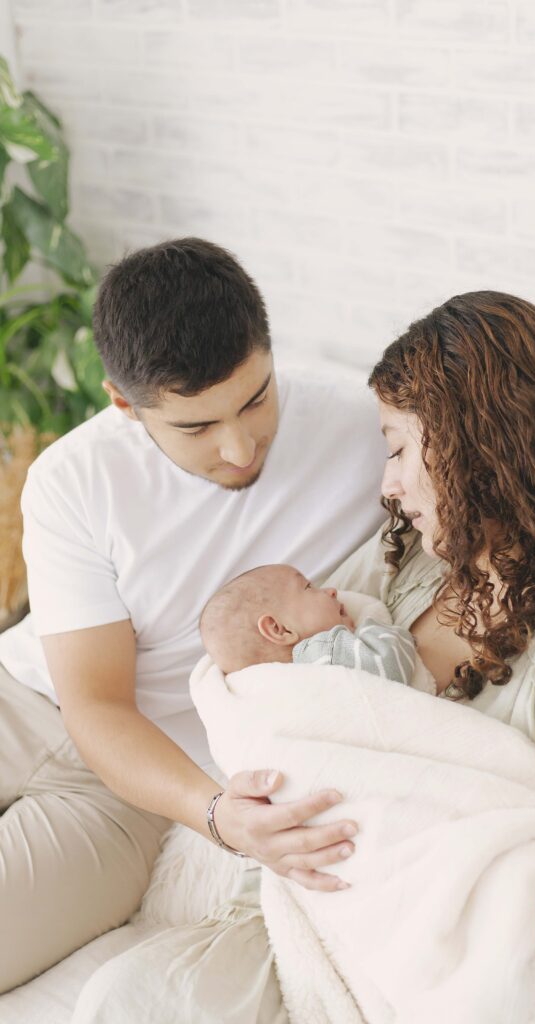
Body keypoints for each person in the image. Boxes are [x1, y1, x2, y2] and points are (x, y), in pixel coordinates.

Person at [70, 289, 535, 1024]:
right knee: (124, 1000)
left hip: (458, 937)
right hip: (326, 915)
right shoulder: (414, 568)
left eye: (396, 448)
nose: (386, 483)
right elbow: (277, 685)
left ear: (481, 448)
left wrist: (441, 879)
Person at [0, 237, 387, 997]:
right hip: (25, 704)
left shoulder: (364, 429)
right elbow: (96, 703)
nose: (240, 448)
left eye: (255, 399)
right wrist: (217, 813)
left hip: (129, 792)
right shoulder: (75, 481)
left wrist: (209, 812)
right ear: (122, 401)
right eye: (195, 428)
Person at [199, 563, 416, 684]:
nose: (331, 591)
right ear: (279, 629)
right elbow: (391, 666)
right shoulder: (325, 653)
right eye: (309, 588)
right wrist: (372, 627)